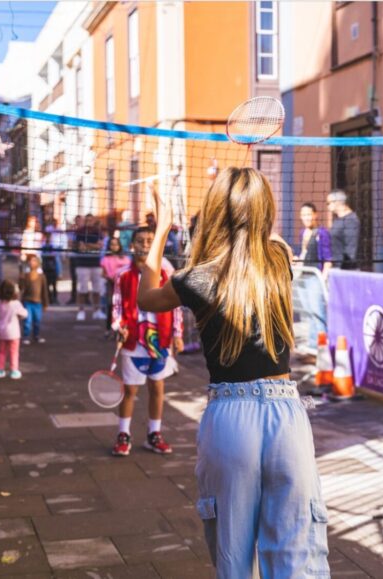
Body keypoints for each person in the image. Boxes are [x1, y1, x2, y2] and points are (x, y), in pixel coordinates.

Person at [136, 168, 330, 577]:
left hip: (230, 417)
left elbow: (146, 298)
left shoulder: (195, 277)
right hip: (285, 416)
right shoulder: (278, 258)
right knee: (297, 561)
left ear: (212, 212)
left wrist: (163, 227)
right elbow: (266, 237)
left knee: (233, 559)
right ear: (263, 211)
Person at [110, 226, 183, 457]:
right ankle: (124, 434)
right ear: (132, 245)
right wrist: (117, 325)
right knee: (130, 390)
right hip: (133, 340)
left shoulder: (166, 270)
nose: (145, 244)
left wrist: (177, 333)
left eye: (150, 240)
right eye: (140, 241)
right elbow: (116, 306)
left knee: (157, 388)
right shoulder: (123, 275)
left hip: (160, 339)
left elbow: (176, 305)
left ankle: (154, 434)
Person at [296, 202, 332, 355]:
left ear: (315, 214)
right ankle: (312, 344)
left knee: (318, 312)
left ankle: (323, 347)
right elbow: (304, 254)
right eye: (303, 215)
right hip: (303, 276)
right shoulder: (303, 233)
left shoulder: (321, 233)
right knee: (309, 312)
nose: (306, 217)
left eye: (309, 214)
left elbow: (328, 258)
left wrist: (323, 277)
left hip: (314, 277)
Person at [75, 214, 106, 322]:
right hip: (82, 263)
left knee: (97, 289)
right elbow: (80, 247)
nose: (89, 221)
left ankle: (97, 311)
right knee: (82, 289)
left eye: (90, 220)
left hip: (95, 263)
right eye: (87, 220)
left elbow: (100, 246)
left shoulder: (97, 232)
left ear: (93, 221)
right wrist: (93, 246)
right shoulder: (80, 231)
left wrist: (87, 245)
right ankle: (81, 311)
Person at [0, 280, 28, 380]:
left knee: (1, 351)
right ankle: (14, 370)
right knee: (14, 352)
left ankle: (0, 369)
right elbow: (24, 314)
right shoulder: (15, 304)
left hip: (1, 331)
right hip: (13, 332)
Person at [100, 236, 131, 334]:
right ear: (109, 246)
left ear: (119, 246)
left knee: (124, 305)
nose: (114, 246)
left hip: (124, 285)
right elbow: (103, 273)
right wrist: (111, 278)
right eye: (112, 244)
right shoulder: (105, 259)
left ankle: (124, 327)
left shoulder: (126, 259)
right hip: (111, 284)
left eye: (116, 244)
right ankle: (109, 329)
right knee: (110, 305)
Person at [19, 254, 50, 345]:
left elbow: (44, 291)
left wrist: (45, 303)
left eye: (34, 261)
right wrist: (21, 279)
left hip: (38, 302)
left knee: (37, 321)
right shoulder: (26, 275)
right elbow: (21, 288)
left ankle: (36, 336)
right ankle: (26, 336)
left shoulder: (42, 277)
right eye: (30, 261)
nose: (31, 263)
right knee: (27, 321)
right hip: (27, 301)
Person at [327, 189, 360, 270]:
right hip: (336, 267)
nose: (327, 206)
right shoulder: (337, 220)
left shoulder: (351, 220)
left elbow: (351, 250)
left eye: (328, 203)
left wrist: (344, 269)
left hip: (345, 269)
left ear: (337, 202)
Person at [66, 215, 83, 305]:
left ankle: (85, 299)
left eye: (80, 221)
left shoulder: (85, 231)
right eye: (77, 221)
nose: (78, 222)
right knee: (74, 278)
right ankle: (73, 298)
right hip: (73, 256)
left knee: (83, 278)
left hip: (82, 257)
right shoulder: (72, 232)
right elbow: (70, 243)